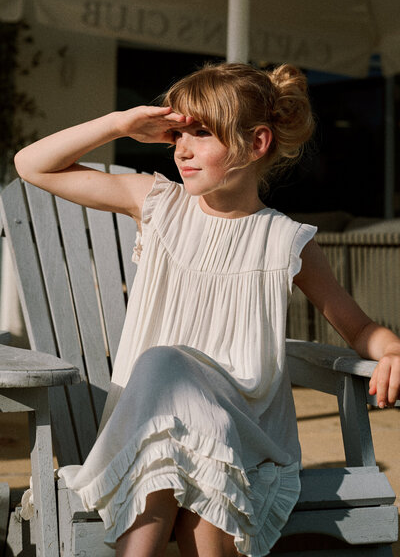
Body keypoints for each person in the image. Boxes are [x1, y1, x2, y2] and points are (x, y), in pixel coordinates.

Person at [14, 62, 400, 557]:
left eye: (201, 133)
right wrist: (119, 123)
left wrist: (390, 351)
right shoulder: (156, 204)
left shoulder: (284, 241)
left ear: (257, 143)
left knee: (169, 372)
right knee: (164, 368)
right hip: (152, 430)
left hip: (243, 437)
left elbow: (359, 326)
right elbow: (32, 165)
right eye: (178, 134)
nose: (182, 148)